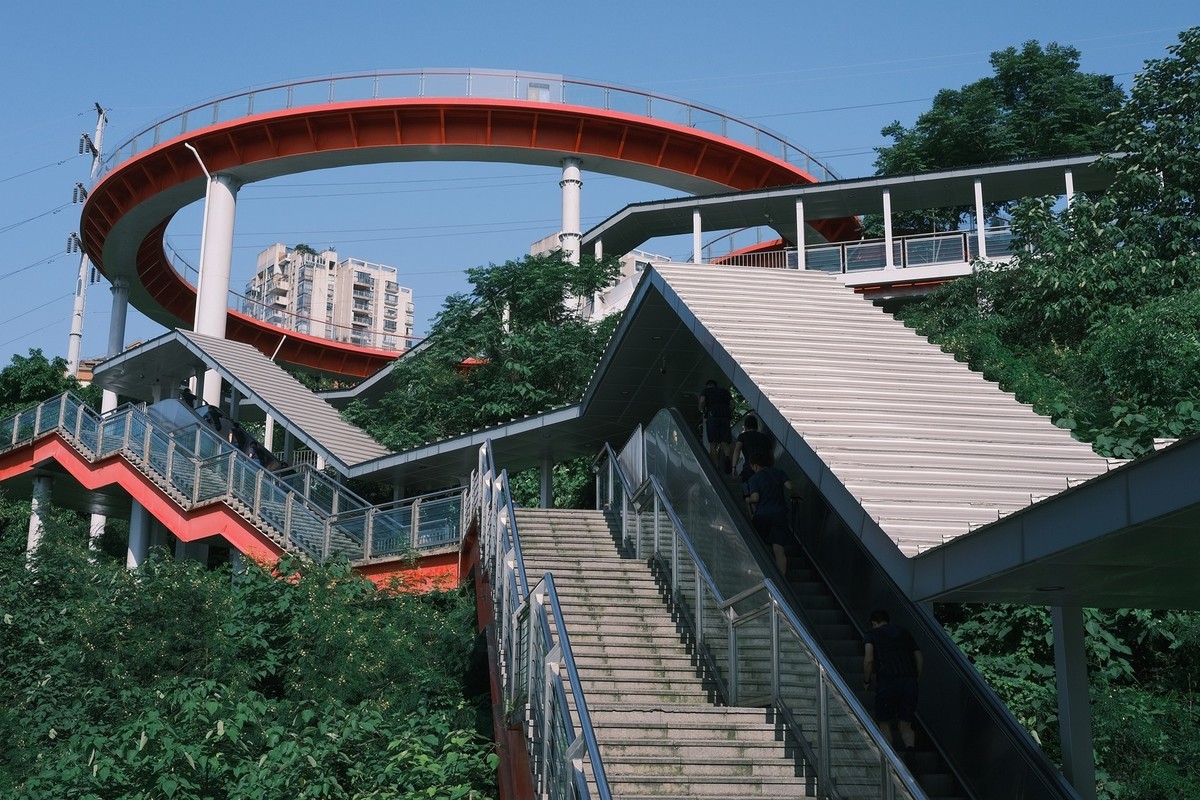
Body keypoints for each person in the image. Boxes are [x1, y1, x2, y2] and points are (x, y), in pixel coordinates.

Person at [862, 609, 924, 755]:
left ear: (873, 623)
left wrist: (866, 680)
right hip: (909, 682)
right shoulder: (905, 633)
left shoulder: (871, 635)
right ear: (888, 621)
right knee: (906, 725)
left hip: (887, 682)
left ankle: (891, 758)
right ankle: (910, 751)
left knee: (884, 722)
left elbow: (869, 659)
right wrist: (916, 680)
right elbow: (920, 658)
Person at [745, 453, 794, 576]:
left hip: (762, 516)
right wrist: (796, 495)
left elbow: (755, 498)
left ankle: (756, 573)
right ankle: (781, 581)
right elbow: (790, 486)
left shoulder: (754, 479)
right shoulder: (778, 472)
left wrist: (748, 500)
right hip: (779, 515)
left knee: (757, 546)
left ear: (755, 466)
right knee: (779, 549)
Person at [730, 415, 773, 507]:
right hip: (765, 470)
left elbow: (737, 450)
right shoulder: (764, 438)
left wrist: (734, 467)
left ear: (745, 426)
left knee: (749, 495)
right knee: (764, 493)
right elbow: (771, 455)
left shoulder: (742, 437)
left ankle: (753, 516)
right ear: (756, 426)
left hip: (749, 469)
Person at [698, 378, 733, 470]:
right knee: (725, 442)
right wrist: (728, 412)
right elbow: (733, 404)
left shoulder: (705, 391)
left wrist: (702, 410)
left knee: (713, 444)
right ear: (716, 385)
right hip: (725, 418)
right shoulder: (724, 392)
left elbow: (702, 401)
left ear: (708, 386)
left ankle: (716, 466)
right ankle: (727, 457)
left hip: (712, 417)